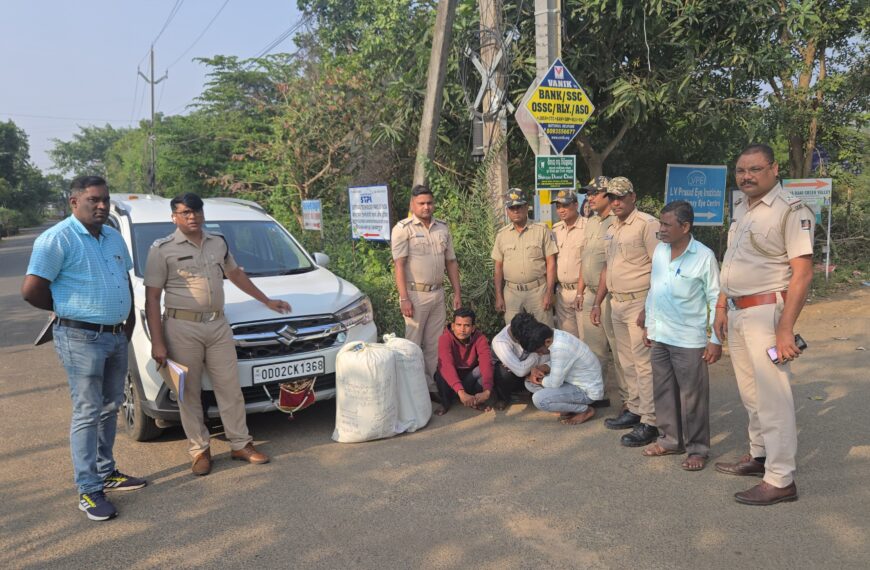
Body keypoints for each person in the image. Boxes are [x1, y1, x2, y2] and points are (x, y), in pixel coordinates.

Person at [22, 176, 146, 521]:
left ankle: (107, 472)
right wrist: (67, 309)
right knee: (87, 411)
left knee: (111, 406)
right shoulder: (57, 239)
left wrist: (127, 326)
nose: (102, 206)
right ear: (74, 202)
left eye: (105, 199)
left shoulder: (112, 237)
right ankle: (89, 490)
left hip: (115, 335)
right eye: (94, 200)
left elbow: (124, 281)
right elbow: (31, 290)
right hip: (80, 339)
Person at [144, 193, 290, 476]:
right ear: (174, 217)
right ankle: (199, 450)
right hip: (181, 328)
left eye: (196, 211)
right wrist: (158, 341)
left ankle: (240, 444)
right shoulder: (162, 250)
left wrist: (266, 300)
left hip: (218, 326)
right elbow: (152, 298)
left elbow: (235, 275)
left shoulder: (217, 242)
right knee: (188, 393)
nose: (192, 217)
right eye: (185, 212)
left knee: (229, 388)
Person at [713, 144, 814, 506]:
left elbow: (802, 273)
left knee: (774, 398)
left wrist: (785, 329)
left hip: (767, 314)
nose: (746, 176)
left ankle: (781, 478)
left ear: (774, 169)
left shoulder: (791, 210)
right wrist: (723, 305)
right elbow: (733, 261)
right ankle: (758, 456)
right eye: (740, 170)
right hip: (739, 312)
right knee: (750, 394)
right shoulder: (742, 207)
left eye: (755, 169)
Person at [637, 201, 721, 471]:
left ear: (685, 227)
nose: (660, 229)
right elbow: (655, 289)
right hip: (661, 335)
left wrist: (715, 340)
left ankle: (697, 449)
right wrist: (649, 323)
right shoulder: (660, 251)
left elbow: (716, 297)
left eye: (666, 224)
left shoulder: (704, 256)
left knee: (692, 397)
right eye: (660, 223)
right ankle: (670, 440)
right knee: (663, 392)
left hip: (688, 339)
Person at [590, 177, 661, 447]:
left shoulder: (647, 224)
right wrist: (598, 302)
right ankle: (634, 409)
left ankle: (651, 421)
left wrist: (649, 306)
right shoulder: (613, 226)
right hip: (617, 303)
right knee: (627, 361)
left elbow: (659, 266)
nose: (616, 202)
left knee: (643, 365)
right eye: (612, 197)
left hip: (639, 302)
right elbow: (608, 266)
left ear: (633, 196)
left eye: (621, 197)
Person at [391, 184, 462, 395]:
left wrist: (457, 292)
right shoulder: (403, 229)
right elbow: (399, 266)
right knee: (413, 345)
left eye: (429, 203)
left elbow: (451, 262)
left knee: (435, 346)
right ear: (413, 204)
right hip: (415, 295)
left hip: (438, 293)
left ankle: (433, 389)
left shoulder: (442, 228)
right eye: (421, 203)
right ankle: (412, 391)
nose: (426, 207)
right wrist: (404, 298)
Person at [576, 177, 627, 408]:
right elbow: (585, 259)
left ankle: (630, 402)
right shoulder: (592, 222)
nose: (590, 198)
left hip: (609, 296)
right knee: (593, 349)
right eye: (588, 194)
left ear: (609, 195)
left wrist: (597, 300)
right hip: (590, 294)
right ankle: (598, 394)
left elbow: (611, 264)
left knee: (618, 350)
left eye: (595, 193)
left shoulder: (617, 223)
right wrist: (580, 291)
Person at [512, 315, 604, 425]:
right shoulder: (554, 334)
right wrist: (541, 368)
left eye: (539, 351)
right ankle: (568, 406)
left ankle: (584, 410)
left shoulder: (560, 348)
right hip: (575, 381)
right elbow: (561, 362)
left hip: (586, 391)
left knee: (539, 400)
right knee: (529, 383)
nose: (540, 354)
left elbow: (555, 383)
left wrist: (538, 380)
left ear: (547, 341)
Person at [492, 188, 557, 326]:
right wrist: (498, 295)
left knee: (544, 333)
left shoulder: (542, 230)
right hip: (512, 293)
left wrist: (549, 292)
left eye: (519, 207)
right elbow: (498, 267)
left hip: (538, 291)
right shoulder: (502, 235)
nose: (516, 211)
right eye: (512, 207)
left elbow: (551, 263)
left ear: (527, 207)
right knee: (513, 335)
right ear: (507, 210)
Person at [433, 308, 495, 415]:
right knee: (441, 370)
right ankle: (446, 402)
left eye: (466, 325)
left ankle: (476, 400)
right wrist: (461, 392)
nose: (462, 329)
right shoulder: (445, 338)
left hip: (469, 378)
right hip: (451, 378)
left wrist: (487, 390)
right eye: (458, 325)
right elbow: (447, 365)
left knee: (482, 370)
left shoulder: (480, 338)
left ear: (473, 328)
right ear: (452, 326)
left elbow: (486, 362)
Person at [550, 190, 587, 340]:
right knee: (569, 341)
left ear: (576, 205)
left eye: (565, 205)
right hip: (563, 293)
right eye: (558, 206)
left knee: (587, 341)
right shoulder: (556, 230)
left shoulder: (588, 227)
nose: (561, 210)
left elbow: (588, 263)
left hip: (583, 293)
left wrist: (579, 292)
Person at [490, 313, 548, 407]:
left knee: (545, 364)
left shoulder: (528, 329)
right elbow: (520, 371)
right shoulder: (500, 342)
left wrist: (528, 366)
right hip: (509, 377)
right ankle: (503, 398)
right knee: (503, 371)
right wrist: (536, 355)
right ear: (518, 337)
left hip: (528, 371)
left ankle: (531, 391)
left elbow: (547, 355)